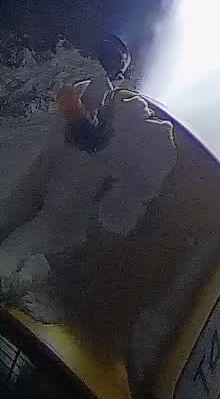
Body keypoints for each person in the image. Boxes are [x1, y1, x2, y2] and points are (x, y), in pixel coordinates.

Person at [0, 34, 177, 320]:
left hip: (62, 221)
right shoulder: (87, 92)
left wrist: (97, 142)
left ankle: (30, 276)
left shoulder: (140, 121)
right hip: (42, 196)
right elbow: (62, 145)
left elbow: (140, 169)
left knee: (12, 257)